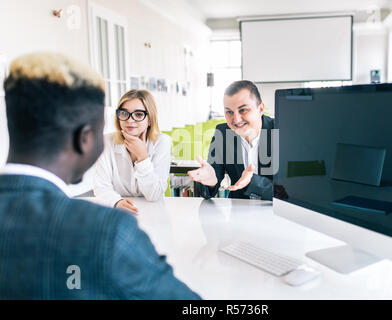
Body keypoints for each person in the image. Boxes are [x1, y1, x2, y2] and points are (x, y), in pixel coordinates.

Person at [0, 52, 200, 299]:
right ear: (85, 138)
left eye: (138, 115)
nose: (128, 122)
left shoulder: (160, 144)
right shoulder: (107, 231)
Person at [188, 80, 275, 201]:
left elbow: (291, 192)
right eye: (229, 112)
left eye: (243, 110)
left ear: (260, 109)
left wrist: (254, 182)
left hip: (278, 213)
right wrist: (210, 182)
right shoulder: (223, 133)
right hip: (238, 214)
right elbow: (209, 187)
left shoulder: (282, 131)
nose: (236, 119)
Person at [93, 89, 171, 214]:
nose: (129, 120)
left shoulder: (162, 142)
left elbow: (154, 195)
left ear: (150, 119)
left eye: (139, 114)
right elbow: (101, 187)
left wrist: (142, 157)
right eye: (124, 113)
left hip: (153, 213)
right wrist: (116, 202)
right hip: (119, 214)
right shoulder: (105, 141)